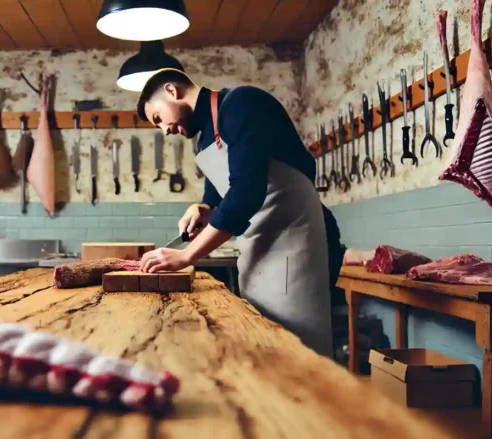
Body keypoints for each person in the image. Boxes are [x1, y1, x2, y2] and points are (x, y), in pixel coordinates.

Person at [136, 68, 345, 358]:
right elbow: (218, 197)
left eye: (159, 118)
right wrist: (201, 208)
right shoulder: (206, 136)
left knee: (300, 353)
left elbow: (246, 194)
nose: (165, 130)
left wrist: (186, 256)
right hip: (258, 249)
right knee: (265, 345)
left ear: (172, 91)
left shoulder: (241, 104)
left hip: (293, 244)